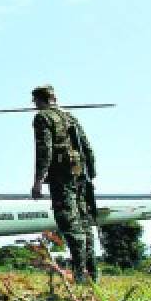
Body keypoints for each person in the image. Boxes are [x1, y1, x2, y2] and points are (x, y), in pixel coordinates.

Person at [30, 84, 98, 282]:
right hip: (80, 175)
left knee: (69, 223)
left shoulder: (43, 117)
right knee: (85, 223)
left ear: (39, 99)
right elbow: (87, 147)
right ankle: (92, 273)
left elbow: (45, 151)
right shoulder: (70, 117)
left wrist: (38, 181)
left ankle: (80, 275)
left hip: (61, 176)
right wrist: (90, 173)